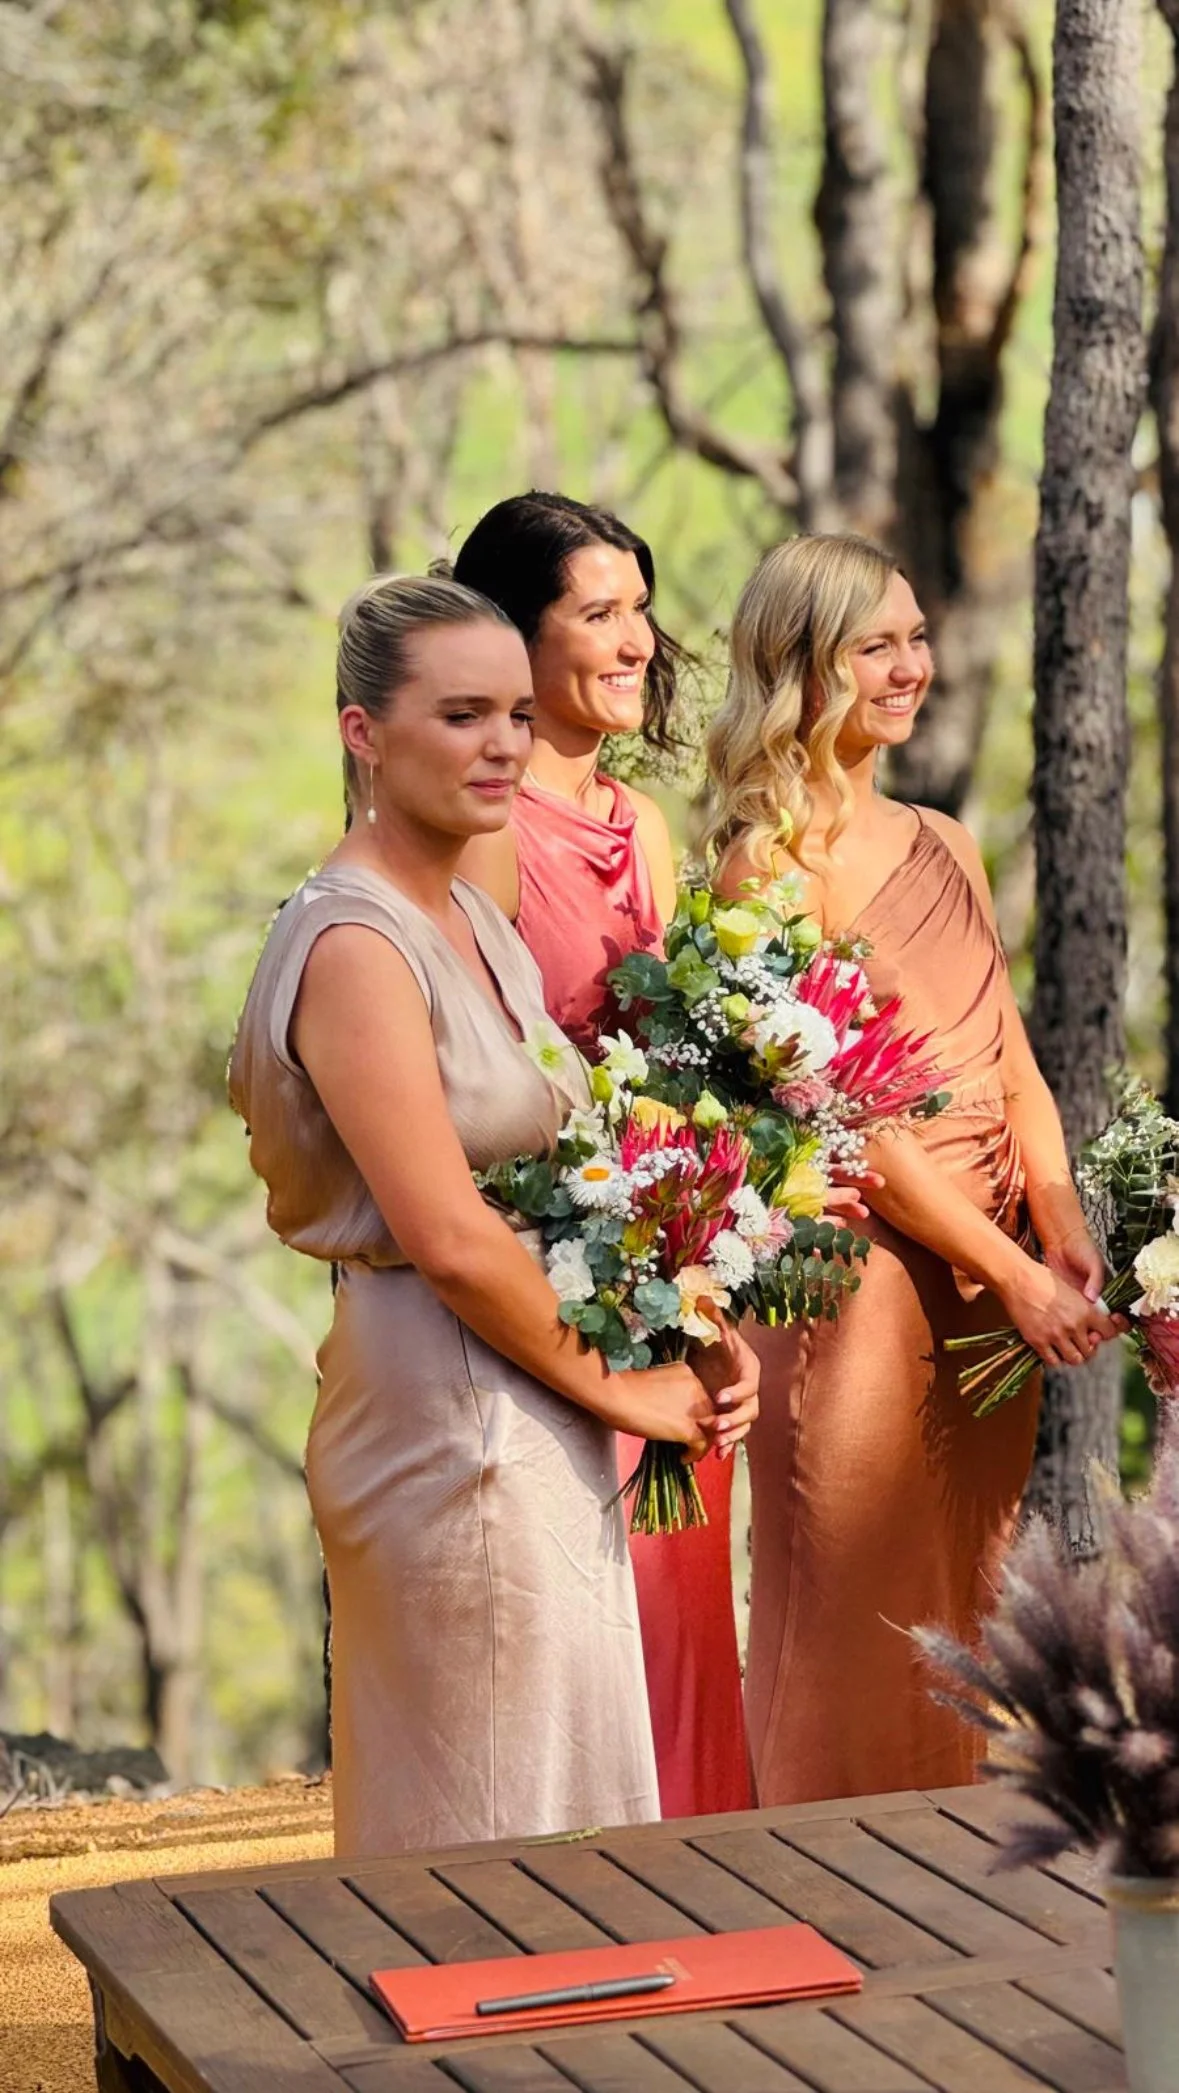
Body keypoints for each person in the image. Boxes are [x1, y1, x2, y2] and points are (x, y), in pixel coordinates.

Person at [228, 573, 758, 1855]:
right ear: (364, 731)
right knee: (484, 1823)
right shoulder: (356, 945)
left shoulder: (466, 908)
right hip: (444, 1411)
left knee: (564, 1802)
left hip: (532, 1394)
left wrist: (680, 1318)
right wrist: (627, 1392)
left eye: (517, 713)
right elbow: (456, 1237)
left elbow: (561, 1171)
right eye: (462, 714)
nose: (505, 744)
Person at [705, 533, 1122, 1806]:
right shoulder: (762, 865)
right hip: (865, 1281)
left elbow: (1011, 1056)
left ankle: (957, 1895)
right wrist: (1007, 1265)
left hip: (994, 1278)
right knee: (854, 1607)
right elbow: (845, 1124)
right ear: (801, 665)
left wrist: (1054, 1218)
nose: (909, 667)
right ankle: (824, 1891)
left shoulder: (945, 835)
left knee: (967, 1591)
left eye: (917, 637)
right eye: (873, 645)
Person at [453, 491, 751, 1818]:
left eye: (639, 608)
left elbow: (681, 1071)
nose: (636, 640)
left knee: (684, 1636)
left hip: (675, 1289)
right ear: (513, 644)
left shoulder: (646, 830)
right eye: (597, 613)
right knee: (587, 1658)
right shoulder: (481, 838)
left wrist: (714, 1274)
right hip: (555, 1305)